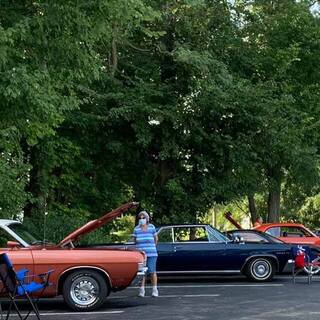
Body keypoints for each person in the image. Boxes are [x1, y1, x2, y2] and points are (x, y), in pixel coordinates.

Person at [133, 211, 158, 297]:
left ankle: (154, 290)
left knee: (152, 271)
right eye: (140, 218)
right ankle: (141, 290)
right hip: (140, 255)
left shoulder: (151, 227)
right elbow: (134, 241)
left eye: (143, 218)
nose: (142, 219)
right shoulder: (136, 229)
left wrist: (152, 247)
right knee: (142, 272)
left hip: (152, 253)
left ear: (147, 218)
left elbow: (156, 239)